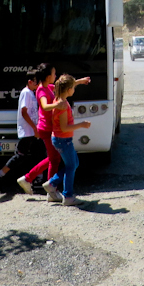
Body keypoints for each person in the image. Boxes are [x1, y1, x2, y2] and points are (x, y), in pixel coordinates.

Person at [0, 67, 46, 193]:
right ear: (30, 81)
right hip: (28, 132)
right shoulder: (26, 93)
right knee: (20, 157)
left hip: (33, 132)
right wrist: (35, 128)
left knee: (40, 154)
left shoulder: (32, 93)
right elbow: (24, 112)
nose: (38, 84)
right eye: (36, 81)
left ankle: (38, 179)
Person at [43, 74, 92, 207]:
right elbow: (64, 127)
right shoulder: (63, 105)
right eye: (73, 87)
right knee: (71, 166)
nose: (74, 90)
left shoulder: (58, 98)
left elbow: (67, 84)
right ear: (69, 89)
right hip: (63, 140)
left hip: (60, 139)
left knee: (73, 164)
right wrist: (81, 124)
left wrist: (79, 82)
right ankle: (67, 196)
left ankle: (52, 184)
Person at [22, 63, 64, 199]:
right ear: (47, 77)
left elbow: (64, 86)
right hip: (46, 129)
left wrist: (79, 82)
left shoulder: (49, 87)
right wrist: (57, 105)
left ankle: (28, 178)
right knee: (55, 160)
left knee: (53, 158)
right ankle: (51, 190)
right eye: (54, 74)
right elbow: (45, 106)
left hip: (50, 128)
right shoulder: (41, 90)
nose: (55, 76)